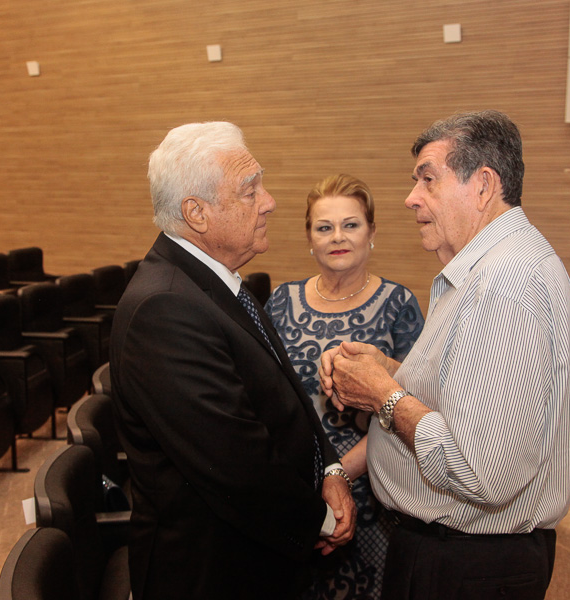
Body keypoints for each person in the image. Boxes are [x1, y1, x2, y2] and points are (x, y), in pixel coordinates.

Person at [319, 110, 570, 600]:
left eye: (428, 180)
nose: (411, 198)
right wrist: (384, 370)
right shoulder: (486, 271)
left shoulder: (505, 284)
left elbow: (482, 471)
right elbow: (463, 393)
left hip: (468, 566)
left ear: (483, 186)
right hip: (456, 555)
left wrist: (383, 395)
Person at [110, 121, 356, 600]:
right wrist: (322, 521)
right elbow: (236, 464)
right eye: (250, 190)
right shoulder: (164, 308)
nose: (269, 201)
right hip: (213, 572)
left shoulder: (216, 281)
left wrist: (328, 469)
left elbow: (286, 393)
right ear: (196, 213)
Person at [265, 174, 425, 599]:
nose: (338, 237)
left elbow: (413, 407)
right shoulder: (280, 302)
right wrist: (309, 480)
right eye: (324, 227)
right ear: (309, 238)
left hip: (374, 493)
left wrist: (337, 475)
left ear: (372, 232)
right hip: (295, 492)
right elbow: (266, 398)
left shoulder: (399, 305)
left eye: (351, 225)